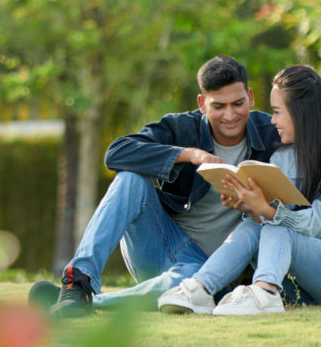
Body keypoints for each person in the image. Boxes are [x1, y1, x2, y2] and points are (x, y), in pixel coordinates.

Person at [29, 55, 281, 317]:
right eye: (218, 106)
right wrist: (189, 155)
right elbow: (116, 153)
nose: (230, 115)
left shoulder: (271, 132)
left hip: (217, 271)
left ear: (250, 97)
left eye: (238, 104)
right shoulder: (181, 127)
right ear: (202, 104)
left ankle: (90, 303)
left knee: (188, 284)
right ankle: (77, 282)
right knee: (130, 179)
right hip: (165, 246)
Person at [156, 64, 321, 316]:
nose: (272, 120)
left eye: (277, 112)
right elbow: (267, 225)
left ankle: (265, 292)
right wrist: (252, 207)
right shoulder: (283, 157)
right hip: (301, 280)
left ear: (302, 113)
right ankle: (200, 289)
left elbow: (319, 222)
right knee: (254, 224)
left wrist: (266, 209)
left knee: (277, 225)